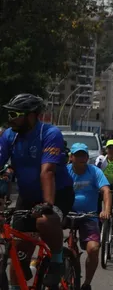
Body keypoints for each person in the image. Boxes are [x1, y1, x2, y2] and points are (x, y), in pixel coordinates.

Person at [1, 93, 75, 287]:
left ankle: (57, 259)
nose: (11, 119)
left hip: (57, 194)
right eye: (9, 114)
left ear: (32, 115)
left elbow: (47, 171)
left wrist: (48, 205)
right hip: (28, 196)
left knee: (44, 221)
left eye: (16, 114)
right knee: (18, 255)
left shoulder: (50, 133)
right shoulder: (10, 135)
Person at [67, 143, 112, 290]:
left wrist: (106, 210)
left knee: (93, 249)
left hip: (89, 216)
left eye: (84, 155)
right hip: (67, 214)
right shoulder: (64, 171)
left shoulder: (95, 171)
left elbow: (106, 191)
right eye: (77, 155)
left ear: (87, 157)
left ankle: (86, 283)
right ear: (71, 157)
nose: (81, 158)